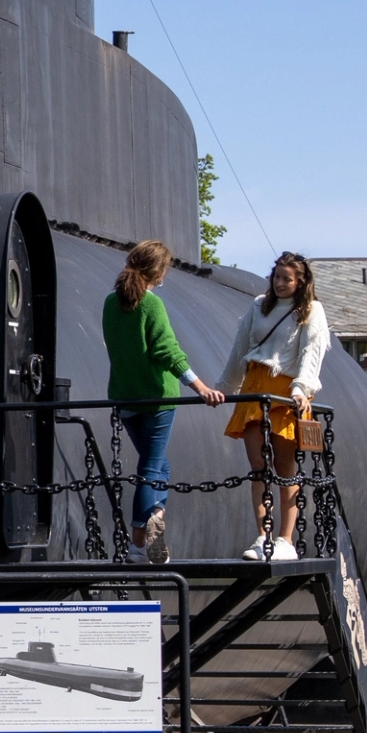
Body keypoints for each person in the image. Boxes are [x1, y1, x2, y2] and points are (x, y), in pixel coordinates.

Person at [99, 239, 222, 561]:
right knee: (151, 468)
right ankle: (139, 544)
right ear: (159, 272)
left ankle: (155, 516)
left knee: (159, 465)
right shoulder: (151, 304)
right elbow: (167, 351)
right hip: (157, 400)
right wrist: (200, 387)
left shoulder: (111, 302)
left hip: (125, 399)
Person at [221, 251, 332, 559]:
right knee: (258, 467)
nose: (279, 283)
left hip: (285, 394)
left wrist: (301, 388)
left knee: (285, 469)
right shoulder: (259, 305)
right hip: (255, 389)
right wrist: (225, 388)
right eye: (276, 277)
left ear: (301, 282)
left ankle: (285, 540)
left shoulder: (311, 310)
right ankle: (262, 536)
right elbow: (241, 348)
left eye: (287, 279)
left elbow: (311, 352)